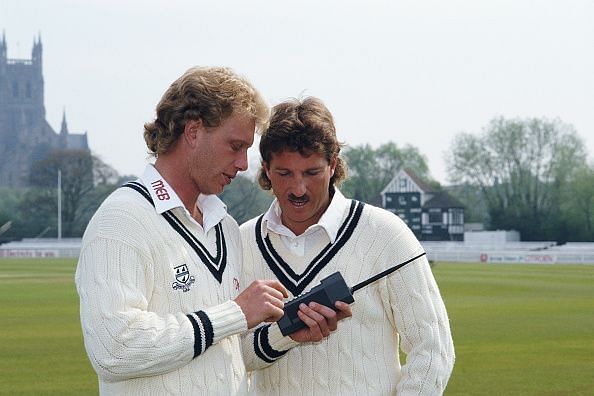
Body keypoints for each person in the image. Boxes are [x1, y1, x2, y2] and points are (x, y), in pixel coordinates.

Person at [75, 67, 343, 395]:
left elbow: (227, 352)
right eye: (235, 146)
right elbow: (113, 349)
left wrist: (285, 333)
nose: (244, 164)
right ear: (193, 131)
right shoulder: (122, 220)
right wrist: (236, 312)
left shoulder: (225, 227)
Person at [240, 97, 455, 395]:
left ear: (333, 165)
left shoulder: (386, 234)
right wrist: (283, 335)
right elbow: (233, 358)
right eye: (284, 173)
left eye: (312, 173)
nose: (298, 189)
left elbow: (433, 349)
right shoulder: (241, 242)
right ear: (265, 168)